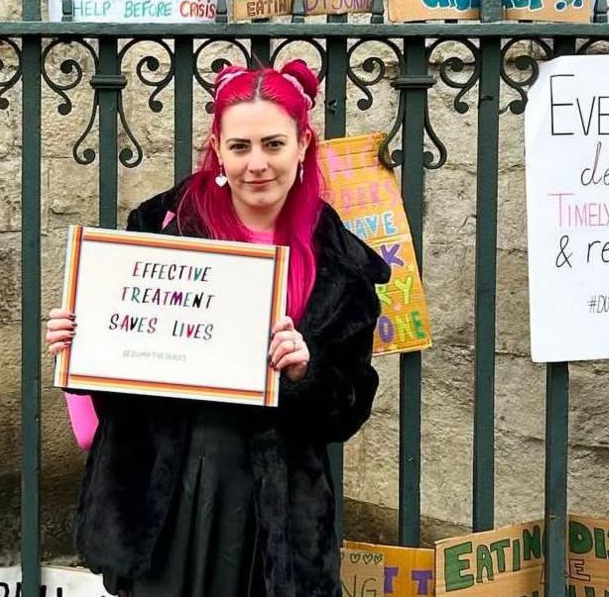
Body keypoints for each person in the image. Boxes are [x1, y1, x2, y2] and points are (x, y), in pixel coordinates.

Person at [45, 59, 390, 597]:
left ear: (303, 145)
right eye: (240, 146)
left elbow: (349, 408)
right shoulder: (159, 231)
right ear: (218, 148)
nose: (257, 163)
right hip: (165, 499)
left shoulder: (338, 265)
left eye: (273, 144)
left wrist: (307, 370)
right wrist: (82, 346)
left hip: (273, 512)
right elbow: (120, 378)